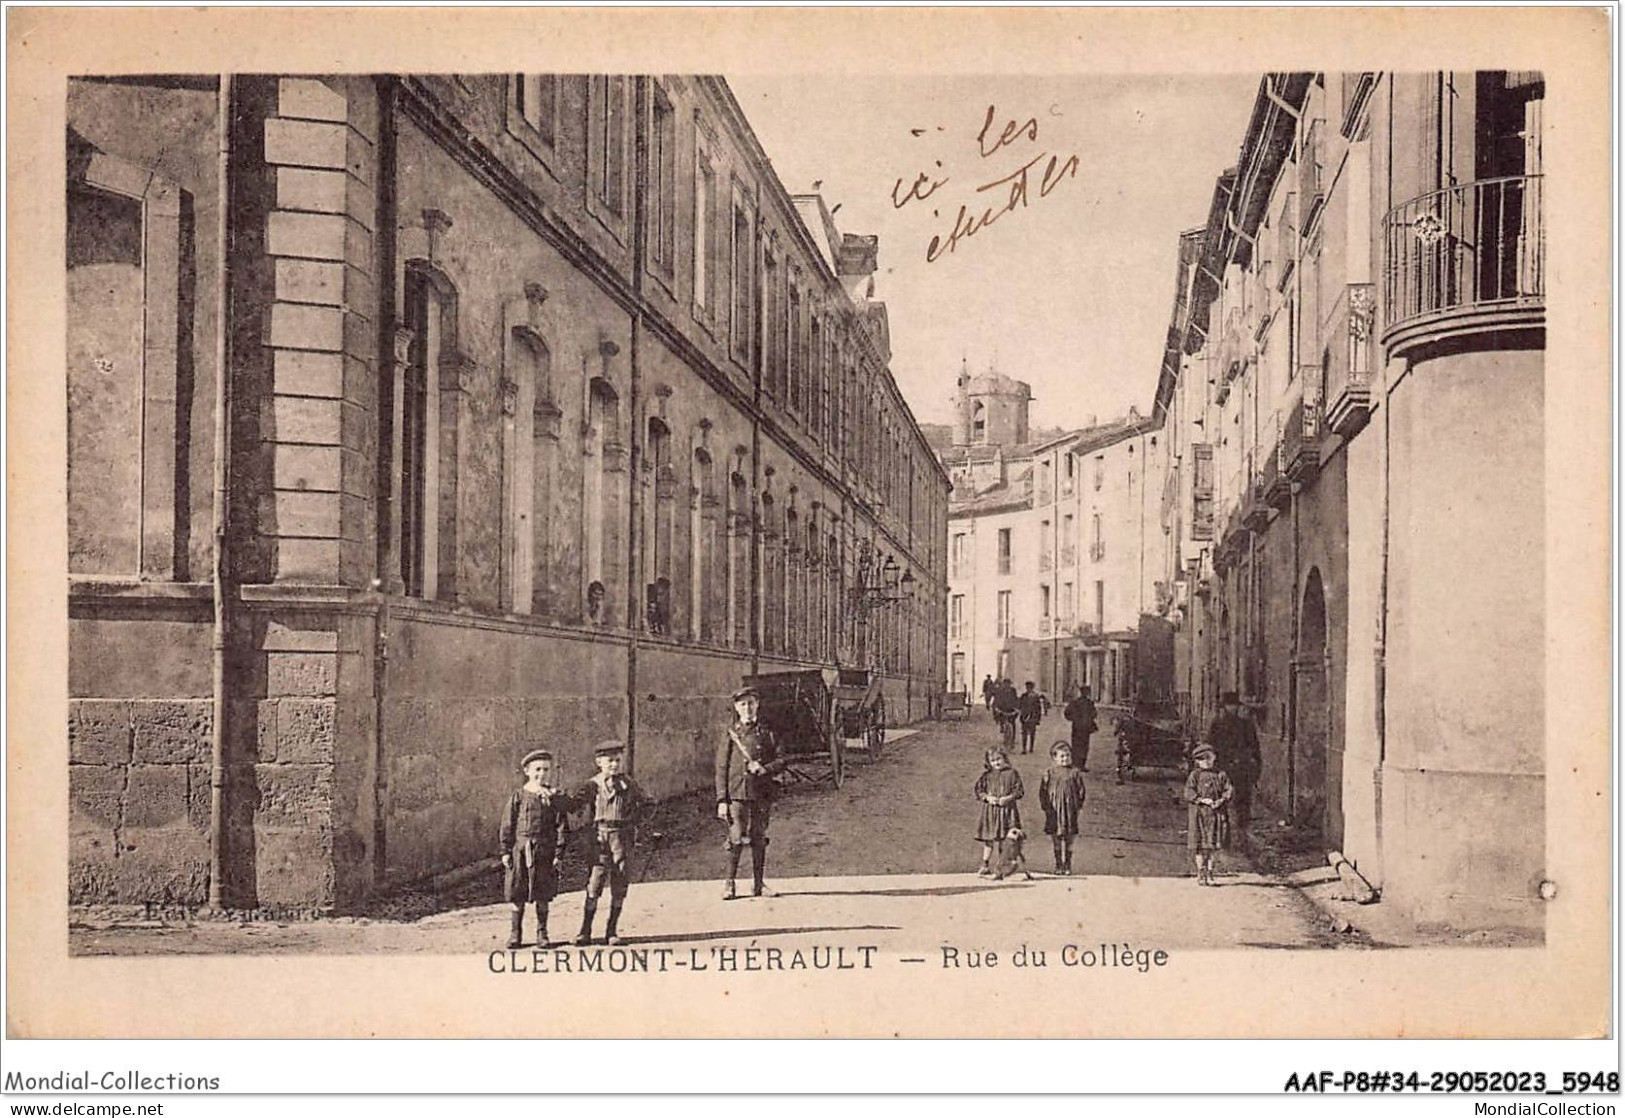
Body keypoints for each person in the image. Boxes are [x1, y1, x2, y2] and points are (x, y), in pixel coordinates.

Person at [716, 686, 787, 899]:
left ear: (758, 705)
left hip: (761, 793)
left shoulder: (769, 732)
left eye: (751, 703)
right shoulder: (731, 734)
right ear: (737, 708)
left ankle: (758, 884)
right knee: (735, 838)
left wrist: (765, 768)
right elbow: (721, 767)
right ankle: (729, 883)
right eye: (743, 704)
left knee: (758, 837)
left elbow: (783, 759)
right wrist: (721, 799)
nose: (747, 708)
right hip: (737, 794)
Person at [573, 741, 648, 946]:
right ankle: (585, 930)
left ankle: (611, 930)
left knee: (619, 883)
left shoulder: (629, 784)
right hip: (599, 839)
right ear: (599, 762)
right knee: (594, 885)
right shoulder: (592, 785)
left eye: (617, 760)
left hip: (622, 838)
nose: (614, 765)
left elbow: (648, 803)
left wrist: (636, 823)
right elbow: (574, 804)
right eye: (609, 761)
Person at [500, 749, 571, 949]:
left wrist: (559, 853)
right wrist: (505, 851)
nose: (542, 774)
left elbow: (561, 826)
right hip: (521, 850)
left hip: (545, 851)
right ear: (527, 771)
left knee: (543, 894)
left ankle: (542, 933)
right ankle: (515, 934)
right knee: (517, 892)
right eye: (537, 769)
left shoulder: (554, 798)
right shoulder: (519, 796)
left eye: (546, 769)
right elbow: (507, 824)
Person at [1206, 690, 1262, 831]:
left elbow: (1254, 747)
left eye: (1234, 705)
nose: (1232, 708)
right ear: (1224, 707)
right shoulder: (1217, 725)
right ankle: (1223, 832)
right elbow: (1210, 746)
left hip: (1242, 769)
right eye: (1229, 705)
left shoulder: (1246, 725)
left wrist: (1256, 769)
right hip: (1223, 767)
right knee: (1221, 801)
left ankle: (1243, 832)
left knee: (1243, 802)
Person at [1184, 744, 1234, 885]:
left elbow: (1228, 789)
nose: (1206, 761)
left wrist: (1221, 800)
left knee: (1213, 846)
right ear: (1197, 761)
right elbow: (1188, 791)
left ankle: (1211, 872)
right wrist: (1201, 800)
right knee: (1199, 845)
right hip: (1199, 814)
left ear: (1214, 758)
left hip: (1216, 814)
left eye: (1208, 758)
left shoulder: (1221, 774)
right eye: (1201, 759)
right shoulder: (1195, 775)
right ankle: (1201, 871)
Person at [973, 747, 1024, 877]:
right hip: (991, 812)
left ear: (1004, 759)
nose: (996, 763)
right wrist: (988, 798)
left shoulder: (1012, 774)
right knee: (989, 839)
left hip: (1007, 811)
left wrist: (1008, 798)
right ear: (989, 762)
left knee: (1003, 840)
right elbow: (979, 791)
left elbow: (1019, 791)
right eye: (993, 760)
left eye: (999, 759)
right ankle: (985, 864)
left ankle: (1001, 867)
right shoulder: (986, 776)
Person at [1039, 740, 1088, 875]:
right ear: (1054, 758)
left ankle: (1068, 863)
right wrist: (1046, 807)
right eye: (1061, 756)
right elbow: (1043, 792)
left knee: (1069, 837)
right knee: (1056, 836)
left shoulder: (1075, 772)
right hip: (1054, 811)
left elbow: (1081, 791)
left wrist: (1078, 807)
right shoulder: (1049, 773)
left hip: (1069, 810)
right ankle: (1058, 863)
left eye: (1067, 755)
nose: (1065, 758)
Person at [1063, 684, 1099, 771]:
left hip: (1077, 727)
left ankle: (1076, 763)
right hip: (1085, 728)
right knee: (1084, 745)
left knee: (1076, 744)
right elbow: (1094, 714)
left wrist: (1073, 719)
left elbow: (1067, 713)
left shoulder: (1076, 702)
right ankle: (1081, 764)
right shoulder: (1089, 703)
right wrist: (1088, 719)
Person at [1016, 681, 1045, 754]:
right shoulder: (1023, 696)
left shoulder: (1036, 697)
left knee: (1032, 733)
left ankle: (1031, 747)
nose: (1028, 689)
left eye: (1030, 687)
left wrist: (1038, 719)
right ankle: (1024, 749)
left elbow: (1038, 709)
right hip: (1025, 717)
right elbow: (1019, 705)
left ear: (1032, 688)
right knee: (1024, 733)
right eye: (1027, 687)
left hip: (1033, 717)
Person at [991, 679, 1019, 750]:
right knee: (1003, 722)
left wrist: (1016, 708)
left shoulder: (1013, 691)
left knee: (1012, 724)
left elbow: (1016, 700)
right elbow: (997, 700)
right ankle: (1005, 739)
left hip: (1011, 710)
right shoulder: (1000, 691)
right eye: (1005, 684)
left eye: (1008, 684)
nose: (1007, 685)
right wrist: (996, 708)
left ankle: (1012, 741)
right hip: (1002, 709)